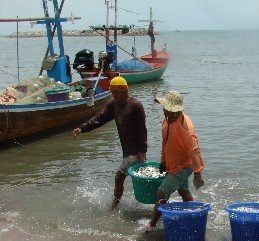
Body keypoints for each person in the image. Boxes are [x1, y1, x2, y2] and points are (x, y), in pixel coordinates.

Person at [72, 76, 147, 208]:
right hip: (127, 149)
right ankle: (151, 203)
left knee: (119, 177)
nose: (113, 95)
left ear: (124, 91)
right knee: (140, 180)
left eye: (115, 92)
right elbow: (100, 118)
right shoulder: (113, 104)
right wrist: (82, 128)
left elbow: (143, 130)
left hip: (135, 151)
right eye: (112, 92)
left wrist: (142, 151)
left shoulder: (135, 106)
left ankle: (114, 206)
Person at [145, 90, 204, 232]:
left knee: (162, 191)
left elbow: (194, 150)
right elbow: (165, 142)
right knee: (183, 190)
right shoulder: (167, 120)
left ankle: (151, 225)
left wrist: (197, 173)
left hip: (184, 165)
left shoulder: (186, 128)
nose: (165, 111)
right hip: (172, 164)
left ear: (176, 111)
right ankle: (195, 217)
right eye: (164, 108)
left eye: (167, 109)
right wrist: (163, 162)